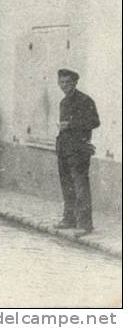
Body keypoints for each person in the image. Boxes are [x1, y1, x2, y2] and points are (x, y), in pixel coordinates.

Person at [54, 69, 100, 236]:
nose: (64, 85)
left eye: (68, 82)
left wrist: (71, 124)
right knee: (67, 185)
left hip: (79, 149)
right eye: (62, 82)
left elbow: (95, 122)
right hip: (64, 149)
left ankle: (85, 224)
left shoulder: (85, 100)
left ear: (75, 83)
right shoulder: (63, 102)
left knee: (80, 186)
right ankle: (69, 219)